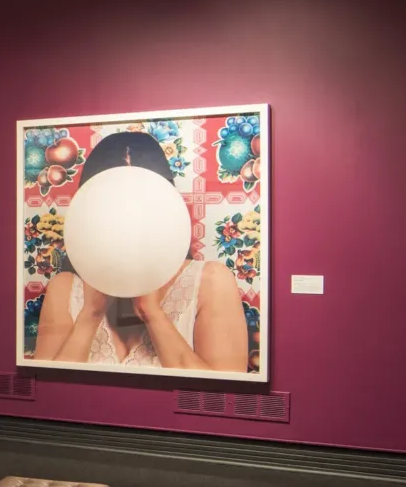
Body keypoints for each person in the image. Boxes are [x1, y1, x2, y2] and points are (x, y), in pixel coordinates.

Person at [32, 131, 249, 372]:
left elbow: (221, 399)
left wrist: (152, 313)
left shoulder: (212, 282)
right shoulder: (64, 287)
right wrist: (90, 314)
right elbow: (48, 392)